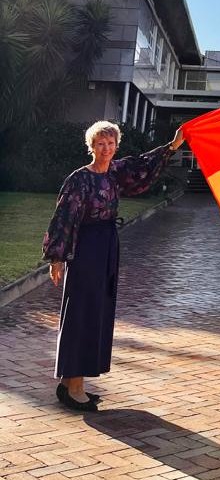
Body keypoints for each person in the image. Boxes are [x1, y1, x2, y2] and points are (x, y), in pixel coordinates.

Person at [43, 121, 184, 412]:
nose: (105, 149)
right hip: (85, 249)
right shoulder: (79, 179)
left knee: (97, 312)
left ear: (115, 146)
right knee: (81, 312)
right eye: (99, 144)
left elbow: (142, 166)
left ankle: (71, 383)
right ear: (91, 147)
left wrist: (172, 145)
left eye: (110, 144)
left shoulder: (117, 173)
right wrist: (57, 258)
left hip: (107, 245)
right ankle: (75, 387)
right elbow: (64, 217)